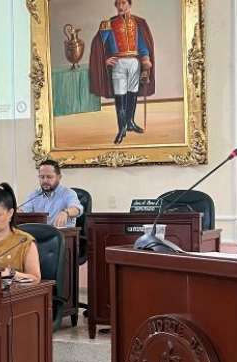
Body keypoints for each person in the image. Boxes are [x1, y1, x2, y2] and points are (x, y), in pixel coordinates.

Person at [89, 0, 155, 144]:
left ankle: (130, 122)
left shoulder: (139, 23)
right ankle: (122, 128)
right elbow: (99, 46)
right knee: (120, 94)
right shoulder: (108, 24)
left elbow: (143, 45)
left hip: (134, 63)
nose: (120, 6)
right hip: (118, 63)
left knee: (132, 92)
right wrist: (104, 60)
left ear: (129, 5)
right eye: (118, 3)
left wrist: (145, 60)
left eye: (123, 3)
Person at [19, 160, 83, 228]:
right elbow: (23, 211)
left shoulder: (68, 193)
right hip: (40, 234)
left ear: (59, 177)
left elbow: (77, 209)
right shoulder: (35, 194)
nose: (45, 180)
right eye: (42, 177)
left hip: (62, 235)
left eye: (49, 177)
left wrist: (66, 213)